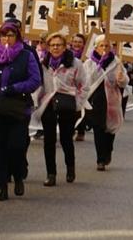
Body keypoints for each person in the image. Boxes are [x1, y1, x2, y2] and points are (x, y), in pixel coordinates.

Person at [0, 22, 41, 201]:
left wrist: (15, 88)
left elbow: (35, 80)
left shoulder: (26, 55)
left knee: (16, 146)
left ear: (17, 37)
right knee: (0, 149)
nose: (7, 39)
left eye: (11, 35)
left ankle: (18, 175)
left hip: (18, 108)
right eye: (3, 35)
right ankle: (1, 186)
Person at [38, 31, 85, 186]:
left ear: (65, 47)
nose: (55, 48)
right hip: (49, 105)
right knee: (49, 141)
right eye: (52, 45)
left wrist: (77, 104)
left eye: (58, 45)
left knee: (66, 139)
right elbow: (40, 85)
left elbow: (83, 86)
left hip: (67, 104)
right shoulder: (44, 64)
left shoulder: (75, 63)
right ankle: (51, 174)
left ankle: (70, 168)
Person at [84, 35, 127, 171]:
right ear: (96, 47)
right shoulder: (89, 63)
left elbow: (124, 81)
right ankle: (100, 159)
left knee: (110, 128)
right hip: (96, 99)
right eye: (101, 45)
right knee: (98, 128)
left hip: (112, 99)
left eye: (107, 46)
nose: (104, 48)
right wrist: (99, 66)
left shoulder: (116, 62)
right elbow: (86, 81)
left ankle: (108, 150)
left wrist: (121, 79)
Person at [70, 33, 89, 143]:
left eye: (80, 42)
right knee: (70, 109)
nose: (77, 44)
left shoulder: (87, 56)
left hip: (82, 84)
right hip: (70, 85)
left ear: (84, 44)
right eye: (75, 41)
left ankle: (81, 131)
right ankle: (71, 129)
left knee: (81, 107)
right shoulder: (67, 55)